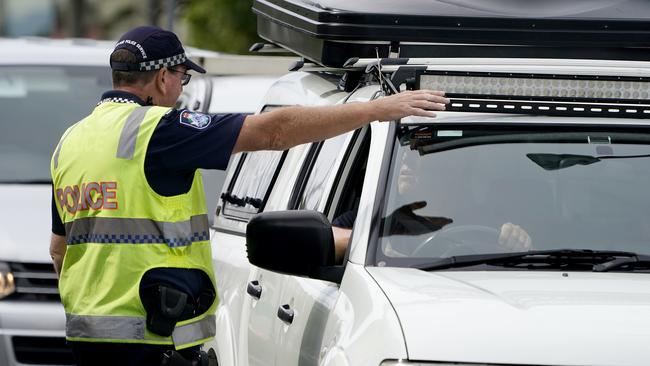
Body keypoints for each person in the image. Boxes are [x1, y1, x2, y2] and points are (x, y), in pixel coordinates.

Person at [49, 26, 449, 366]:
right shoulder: (158, 130)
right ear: (163, 78)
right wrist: (375, 110)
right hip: (152, 338)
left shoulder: (72, 141)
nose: (180, 90)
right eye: (182, 78)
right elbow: (273, 132)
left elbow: (59, 250)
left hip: (87, 339)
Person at [331, 148, 532, 261]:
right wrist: (365, 246)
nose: (405, 162)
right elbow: (326, 241)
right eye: (401, 156)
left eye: (417, 153)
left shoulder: (489, 226)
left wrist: (519, 243)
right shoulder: (368, 221)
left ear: (455, 171)